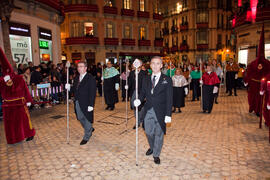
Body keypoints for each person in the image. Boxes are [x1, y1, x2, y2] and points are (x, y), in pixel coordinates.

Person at [134, 56, 173, 164]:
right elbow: (142, 93)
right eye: (153, 63)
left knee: (159, 134)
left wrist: (168, 114)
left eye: (157, 63)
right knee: (148, 131)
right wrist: (139, 100)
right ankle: (152, 146)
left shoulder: (167, 79)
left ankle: (156, 154)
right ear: (150, 65)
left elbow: (170, 98)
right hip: (148, 109)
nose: (155, 66)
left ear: (161, 65)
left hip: (161, 111)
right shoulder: (146, 78)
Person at [0, 48, 35, 144]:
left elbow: (25, 90)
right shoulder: (1, 82)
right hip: (7, 106)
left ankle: (29, 134)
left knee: (23, 121)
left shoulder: (19, 79)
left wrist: (28, 100)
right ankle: (13, 138)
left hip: (20, 104)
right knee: (10, 124)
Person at [65, 61, 96, 145]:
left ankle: (87, 136)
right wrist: (69, 88)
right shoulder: (76, 78)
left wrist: (91, 105)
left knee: (87, 118)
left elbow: (93, 92)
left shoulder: (90, 78)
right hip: (78, 101)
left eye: (81, 66)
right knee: (79, 117)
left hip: (87, 102)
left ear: (85, 68)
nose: (79, 68)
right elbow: (75, 90)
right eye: (78, 66)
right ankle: (89, 128)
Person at [244, 25, 270, 116]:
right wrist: (247, 81)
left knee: (260, 99)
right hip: (253, 85)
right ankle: (252, 107)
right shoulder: (252, 64)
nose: (259, 66)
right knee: (252, 98)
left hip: (261, 85)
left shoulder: (267, 65)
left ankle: (258, 111)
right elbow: (249, 73)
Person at [128, 60, 147, 129]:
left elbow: (146, 84)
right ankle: (137, 121)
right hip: (133, 91)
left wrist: (145, 94)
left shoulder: (144, 73)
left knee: (141, 107)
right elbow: (129, 82)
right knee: (134, 106)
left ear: (140, 65)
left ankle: (142, 120)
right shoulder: (132, 73)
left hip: (141, 92)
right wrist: (127, 86)